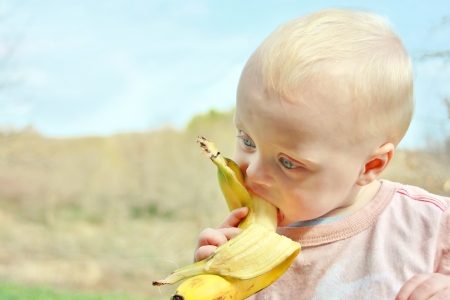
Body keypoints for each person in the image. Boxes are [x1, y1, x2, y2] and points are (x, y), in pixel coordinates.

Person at [193, 8, 450, 300]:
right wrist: (213, 280)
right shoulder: (240, 237)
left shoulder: (432, 226)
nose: (252, 172)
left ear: (370, 165)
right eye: (247, 141)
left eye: (288, 162)